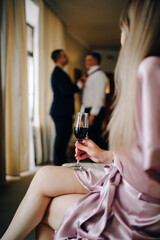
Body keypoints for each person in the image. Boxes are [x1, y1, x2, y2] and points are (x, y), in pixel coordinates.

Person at [1, 0, 160, 239]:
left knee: (45, 208)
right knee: (45, 174)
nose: (121, 37)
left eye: (123, 29)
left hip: (137, 201)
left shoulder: (148, 69)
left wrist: (108, 148)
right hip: (126, 179)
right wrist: (107, 155)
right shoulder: (144, 71)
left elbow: (151, 159)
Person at [49, 49, 84, 166]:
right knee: (61, 137)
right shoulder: (58, 73)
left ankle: (61, 161)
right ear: (59, 58)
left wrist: (76, 85)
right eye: (65, 55)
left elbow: (66, 88)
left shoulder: (61, 72)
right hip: (60, 111)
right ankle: (58, 163)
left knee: (64, 137)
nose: (67, 57)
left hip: (63, 111)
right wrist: (78, 85)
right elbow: (65, 90)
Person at [81, 52, 108, 149]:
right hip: (88, 110)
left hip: (94, 110)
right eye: (85, 60)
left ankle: (103, 161)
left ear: (96, 61)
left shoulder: (99, 75)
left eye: (89, 60)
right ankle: (95, 160)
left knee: (95, 137)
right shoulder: (90, 75)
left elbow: (99, 96)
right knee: (91, 137)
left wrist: (93, 114)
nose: (86, 62)